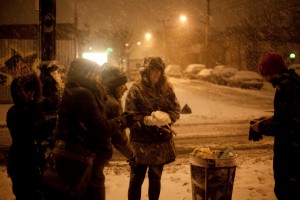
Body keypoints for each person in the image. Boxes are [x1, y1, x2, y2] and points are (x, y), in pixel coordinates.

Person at [46, 58, 134, 200]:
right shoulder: (84, 94)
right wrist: (124, 120)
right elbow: (101, 129)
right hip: (84, 159)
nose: (99, 78)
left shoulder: (72, 90)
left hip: (73, 158)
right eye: (96, 74)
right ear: (87, 74)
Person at [124, 56, 181, 200]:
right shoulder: (135, 90)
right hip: (141, 142)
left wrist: (167, 118)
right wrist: (145, 120)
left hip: (160, 142)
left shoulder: (167, 89)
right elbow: (129, 115)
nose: (156, 73)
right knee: (137, 179)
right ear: (145, 72)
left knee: (155, 178)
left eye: (159, 71)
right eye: (153, 70)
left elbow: (176, 108)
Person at [249, 52, 300, 199]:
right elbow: (288, 116)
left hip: (290, 151)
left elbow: (285, 124)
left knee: (286, 191)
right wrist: (266, 119)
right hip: (293, 149)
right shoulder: (294, 82)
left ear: (271, 72)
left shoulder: (285, 88)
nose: (263, 78)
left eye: (264, 73)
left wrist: (260, 127)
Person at [6, 72, 49, 200]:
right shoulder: (16, 112)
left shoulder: (32, 109)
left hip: (33, 158)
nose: (32, 93)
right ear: (19, 92)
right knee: (25, 192)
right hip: (22, 159)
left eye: (33, 90)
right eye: (28, 90)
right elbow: (26, 133)